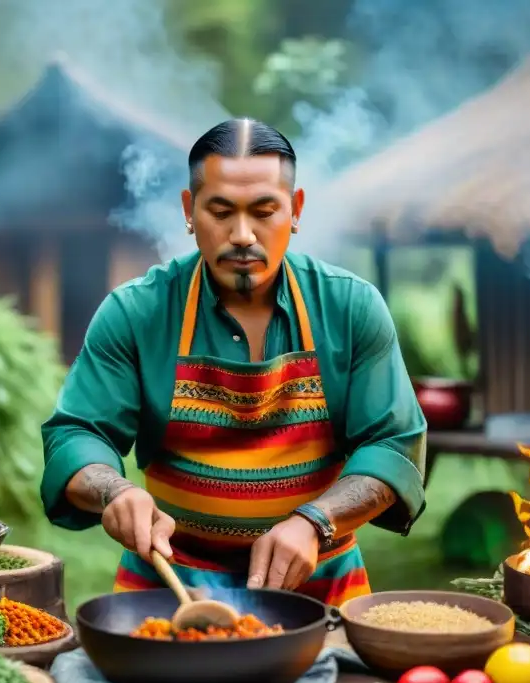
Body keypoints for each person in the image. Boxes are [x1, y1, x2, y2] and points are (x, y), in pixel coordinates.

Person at [40, 118, 427, 606]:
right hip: (171, 589)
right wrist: (113, 491)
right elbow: (76, 435)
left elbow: (393, 446)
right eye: (220, 212)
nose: (242, 235)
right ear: (189, 209)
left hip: (320, 585)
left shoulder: (351, 307)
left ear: (296, 209)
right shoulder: (136, 312)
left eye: (264, 212)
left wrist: (316, 522)